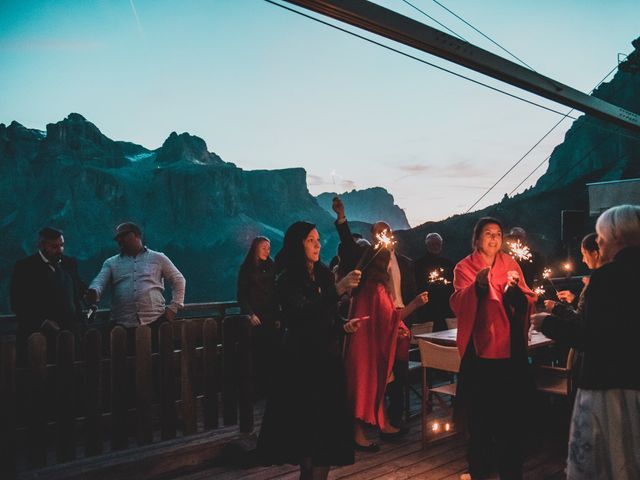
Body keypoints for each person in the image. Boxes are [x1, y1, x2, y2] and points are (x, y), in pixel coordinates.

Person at [531, 205, 640, 479]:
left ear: (617, 237)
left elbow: (592, 337)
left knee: (611, 462)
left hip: (611, 387)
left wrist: (548, 323)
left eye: (601, 238)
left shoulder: (607, 277)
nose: (599, 246)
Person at [257, 221, 362, 480]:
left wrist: (343, 325)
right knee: (306, 433)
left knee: (325, 434)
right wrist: (338, 289)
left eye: (318, 240)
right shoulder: (286, 279)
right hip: (301, 364)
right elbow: (301, 312)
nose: (318, 244)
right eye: (311, 240)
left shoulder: (324, 274)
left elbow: (326, 313)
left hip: (327, 363)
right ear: (298, 244)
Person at [450, 217, 536, 480]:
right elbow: (457, 303)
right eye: (488, 233)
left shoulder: (510, 264)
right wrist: (477, 286)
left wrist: (515, 295)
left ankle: (511, 469)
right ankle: (480, 469)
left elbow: (527, 300)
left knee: (510, 417)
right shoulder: (464, 267)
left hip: (510, 352)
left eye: (498, 233)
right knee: (480, 418)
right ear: (477, 239)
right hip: (480, 355)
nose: (494, 238)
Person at [85, 222, 186, 349]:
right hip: (122, 324)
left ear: (137, 235)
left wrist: (173, 308)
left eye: (124, 235)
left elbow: (178, 280)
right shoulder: (111, 263)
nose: (120, 240)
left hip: (156, 321)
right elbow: (100, 281)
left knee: (157, 361)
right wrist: (94, 291)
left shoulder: (158, 258)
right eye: (118, 238)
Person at [10, 227, 86, 362]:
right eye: (54, 246)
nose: (60, 250)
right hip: (37, 336)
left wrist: (90, 293)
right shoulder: (25, 267)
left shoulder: (69, 263)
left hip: (69, 334)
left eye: (62, 245)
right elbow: (17, 302)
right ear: (42, 245)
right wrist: (41, 322)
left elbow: (78, 288)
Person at [237, 236, 280, 395]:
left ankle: (268, 388)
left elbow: (276, 292)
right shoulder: (247, 268)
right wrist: (250, 313)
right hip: (254, 317)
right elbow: (241, 294)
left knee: (270, 353)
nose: (267, 251)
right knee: (254, 354)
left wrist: (277, 316)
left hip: (269, 315)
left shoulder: (272, 266)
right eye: (263, 248)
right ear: (256, 248)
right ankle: (254, 390)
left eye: (268, 248)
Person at [413, 232, 455, 331]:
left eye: (437, 244)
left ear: (441, 245)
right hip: (427, 310)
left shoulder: (449, 264)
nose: (435, 246)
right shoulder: (418, 265)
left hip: (446, 309)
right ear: (427, 245)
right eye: (432, 244)